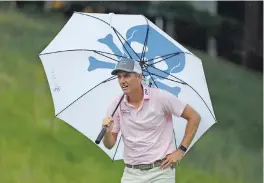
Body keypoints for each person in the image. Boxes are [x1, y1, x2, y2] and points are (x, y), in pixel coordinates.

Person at [102, 58, 201, 183]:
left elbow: (194, 117)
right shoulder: (116, 104)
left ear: (139, 78)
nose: (122, 81)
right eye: (119, 77)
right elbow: (110, 145)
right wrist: (107, 131)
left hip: (161, 171)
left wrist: (181, 150)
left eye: (126, 76)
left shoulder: (160, 97)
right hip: (131, 173)